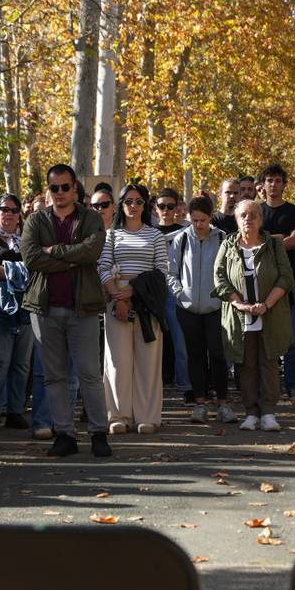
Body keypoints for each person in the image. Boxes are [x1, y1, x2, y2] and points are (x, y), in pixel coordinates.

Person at [21, 164, 111, 458]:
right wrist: (72, 257)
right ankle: (64, 435)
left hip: (81, 307)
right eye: (54, 188)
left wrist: (55, 251)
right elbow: (32, 259)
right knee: (54, 377)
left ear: (74, 189)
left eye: (64, 187)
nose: (59, 193)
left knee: (89, 375)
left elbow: (92, 251)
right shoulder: (36, 221)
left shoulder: (90, 218)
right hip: (44, 309)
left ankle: (99, 433)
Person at [213, 198, 293, 431]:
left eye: (253, 215)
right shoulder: (228, 245)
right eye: (243, 215)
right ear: (236, 220)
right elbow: (219, 278)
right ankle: (251, 413)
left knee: (268, 362)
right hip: (239, 316)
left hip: (270, 313)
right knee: (245, 364)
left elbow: (286, 277)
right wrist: (239, 305)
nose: (248, 219)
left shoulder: (274, 244)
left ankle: (268, 413)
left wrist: (266, 305)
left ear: (261, 219)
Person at [99, 183, 168, 434]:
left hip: (147, 303)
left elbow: (161, 271)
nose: (134, 206)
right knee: (118, 361)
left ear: (145, 205)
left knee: (148, 361)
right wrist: (118, 297)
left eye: (139, 201)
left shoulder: (156, 236)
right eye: (128, 201)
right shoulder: (111, 235)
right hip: (115, 299)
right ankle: (118, 415)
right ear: (121, 204)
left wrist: (134, 291)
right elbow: (103, 267)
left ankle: (147, 417)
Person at [168, 195, 237, 424]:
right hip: (187, 307)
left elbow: (229, 271)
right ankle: (199, 403)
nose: (199, 225)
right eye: (195, 220)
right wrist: (180, 293)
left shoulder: (221, 238)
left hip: (215, 306)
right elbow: (171, 272)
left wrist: (223, 295)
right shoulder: (181, 239)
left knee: (217, 355)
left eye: (203, 220)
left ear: (210, 217)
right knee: (194, 356)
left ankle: (223, 404)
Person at [0, 193, 33, 432]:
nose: (9, 214)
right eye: (4, 209)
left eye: (13, 210)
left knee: (21, 364)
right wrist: (15, 271)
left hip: (25, 306)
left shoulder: (24, 241)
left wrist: (10, 271)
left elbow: (35, 268)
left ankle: (14, 411)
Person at [259, 163, 295, 400]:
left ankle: (293, 385)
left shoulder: (293, 211)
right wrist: (279, 240)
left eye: (278, 180)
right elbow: (250, 241)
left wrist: (268, 240)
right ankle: (268, 387)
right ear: (263, 185)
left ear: (284, 185)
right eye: (269, 180)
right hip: (260, 284)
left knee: (291, 339)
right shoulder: (256, 211)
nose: (273, 184)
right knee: (263, 339)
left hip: (289, 282)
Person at [155, 186, 191, 396]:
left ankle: (185, 385)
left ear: (177, 207)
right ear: (155, 208)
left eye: (170, 206)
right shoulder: (148, 231)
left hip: (176, 292)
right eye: (161, 206)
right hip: (151, 292)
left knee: (181, 343)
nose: (166, 210)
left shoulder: (186, 233)